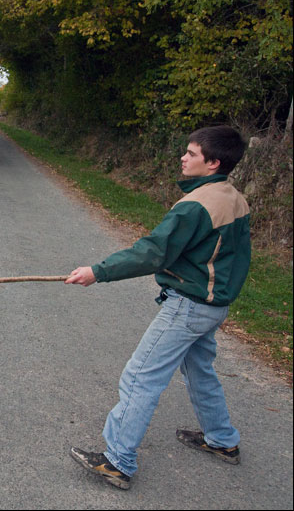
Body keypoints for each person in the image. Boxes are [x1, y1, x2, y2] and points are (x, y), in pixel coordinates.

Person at [65, 125, 250, 491]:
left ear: (213, 163)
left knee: (139, 377)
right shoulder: (234, 197)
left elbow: (153, 252)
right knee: (200, 371)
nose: (183, 157)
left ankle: (118, 461)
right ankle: (222, 439)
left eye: (192, 153)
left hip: (190, 306)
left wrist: (97, 272)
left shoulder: (195, 206)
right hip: (215, 305)